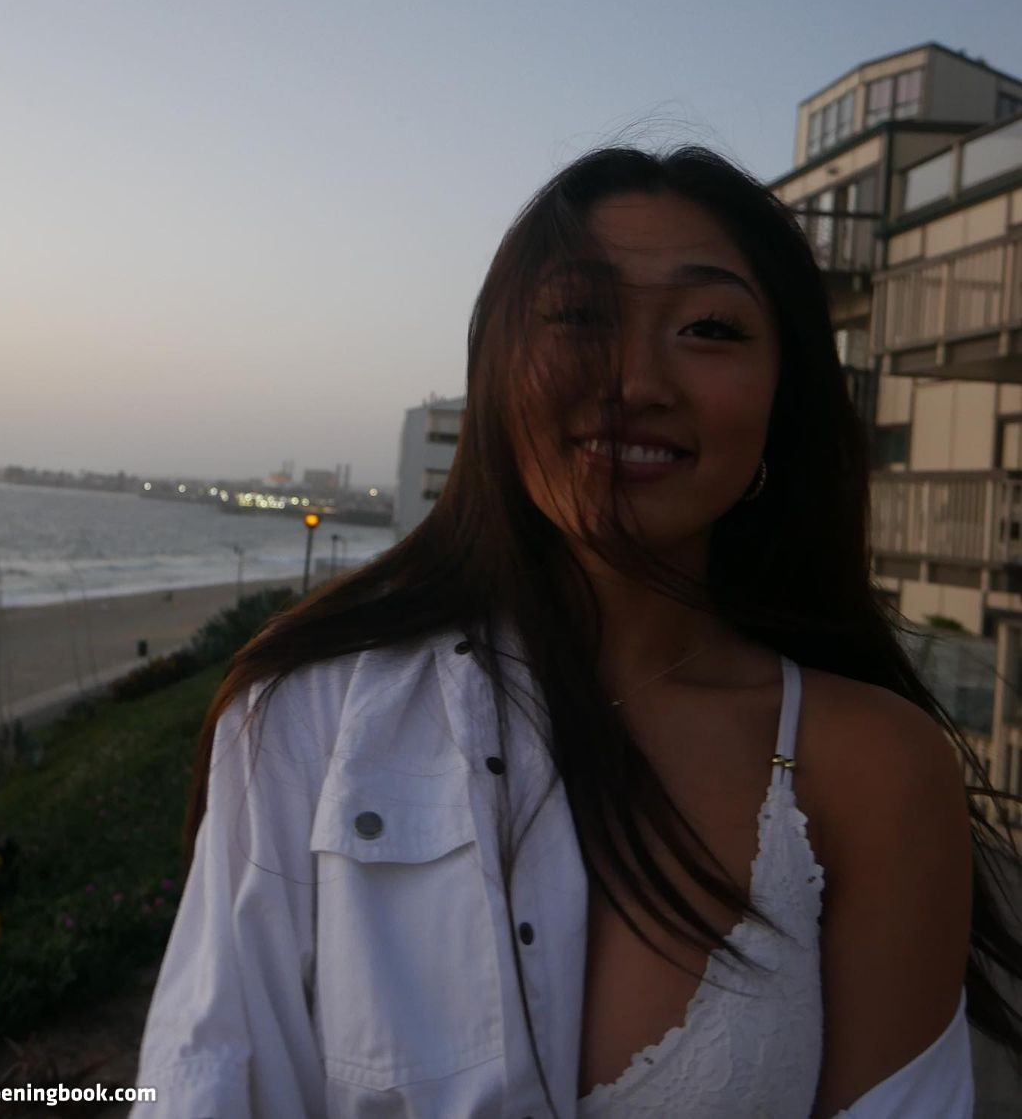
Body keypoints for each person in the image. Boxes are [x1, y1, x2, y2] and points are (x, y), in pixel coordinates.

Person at [131, 145, 1021, 1118]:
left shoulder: (875, 768)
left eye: (709, 327)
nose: (634, 378)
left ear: (784, 399)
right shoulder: (307, 718)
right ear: (498, 374)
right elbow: (208, 1083)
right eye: (579, 316)